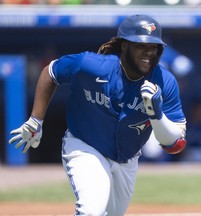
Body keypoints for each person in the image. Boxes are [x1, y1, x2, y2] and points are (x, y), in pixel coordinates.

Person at [9, 14, 187, 216]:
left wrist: (156, 115)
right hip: (85, 145)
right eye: (140, 46)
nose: (148, 53)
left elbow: (175, 144)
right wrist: (36, 119)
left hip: (127, 158)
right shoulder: (91, 65)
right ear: (124, 46)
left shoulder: (165, 82)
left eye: (153, 47)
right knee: (91, 210)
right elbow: (51, 72)